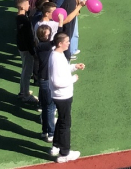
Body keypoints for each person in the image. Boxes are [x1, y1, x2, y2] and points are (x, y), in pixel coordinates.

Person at [49, 32, 84, 163]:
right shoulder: (56, 58)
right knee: (65, 123)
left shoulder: (57, 55)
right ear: (60, 43)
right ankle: (65, 153)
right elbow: (57, 81)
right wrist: (72, 79)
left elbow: (63, 70)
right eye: (67, 41)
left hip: (61, 96)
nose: (69, 43)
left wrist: (74, 67)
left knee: (62, 121)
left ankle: (56, 146)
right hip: (62, 96)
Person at [15, 0, 39, 105]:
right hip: (26, 48)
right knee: (27, 72)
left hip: (22, 47)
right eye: (27, 4)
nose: (29, 6)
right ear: (22, 7)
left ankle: (23, 91)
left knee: (25, 70)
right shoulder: (24, 20)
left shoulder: (19, 18)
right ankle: (25, 95)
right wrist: (32, 52)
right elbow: (27, 38)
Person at [35, 25, 56, 142]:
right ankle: (51, 133)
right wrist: (62, 22)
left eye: (49, 34)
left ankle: (44, 131)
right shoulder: (43, 46)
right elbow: (58, 39)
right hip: (47, 80)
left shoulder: (40, 46)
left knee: (45, 107)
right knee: (50, 108)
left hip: (43, 80)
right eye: (46, 35)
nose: (48, 37)